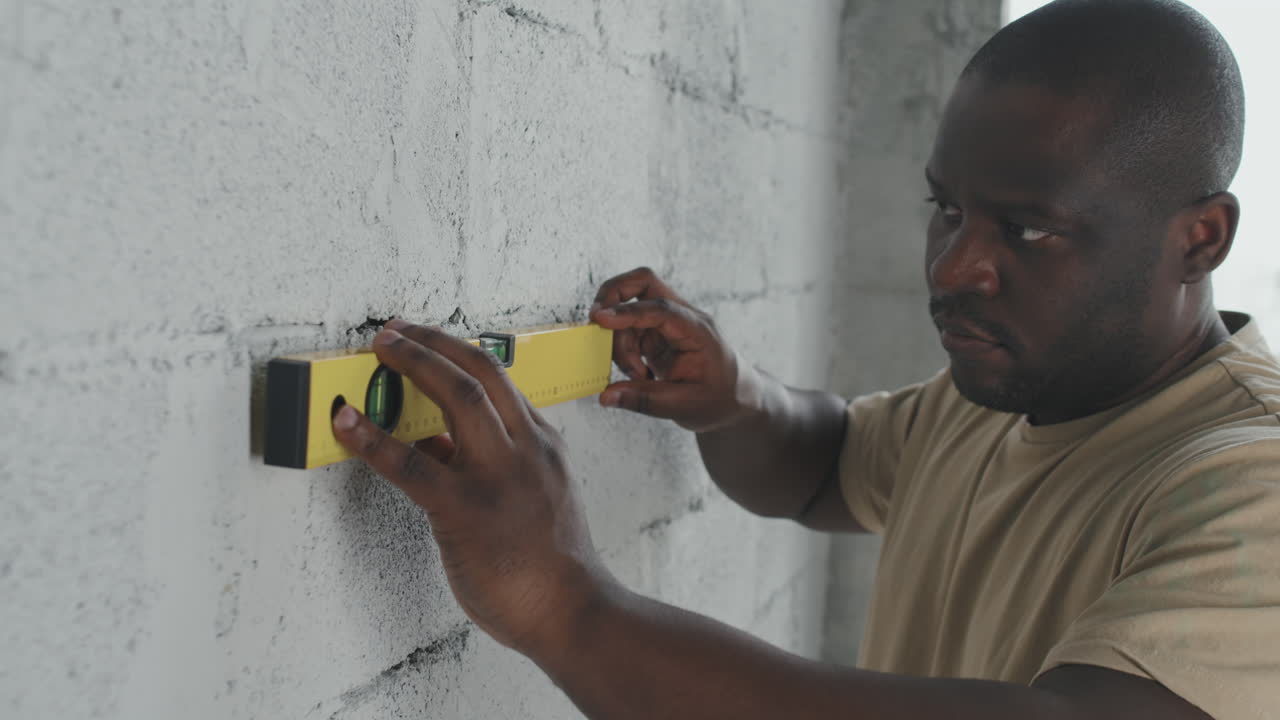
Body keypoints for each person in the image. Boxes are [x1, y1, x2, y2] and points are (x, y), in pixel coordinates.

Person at [330, 0, 1280, 717]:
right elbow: (826, 465)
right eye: (946, 209)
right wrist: (733, 401)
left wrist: (564, 605)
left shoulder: (1251, 485)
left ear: (1200, 238)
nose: (954, 269)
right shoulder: (1018, 385)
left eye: (1028, 230)